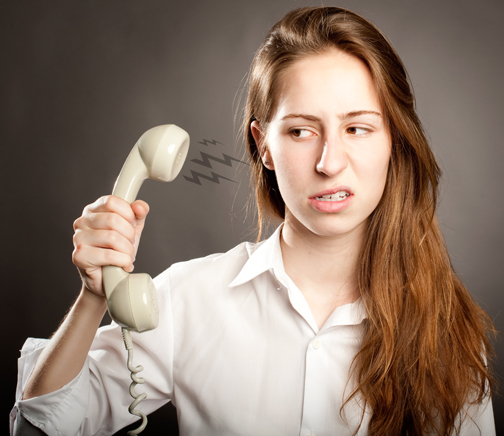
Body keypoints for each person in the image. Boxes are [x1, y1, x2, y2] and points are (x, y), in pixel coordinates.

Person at [11, 6, 496, 436]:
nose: (330, 162)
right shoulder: (188, 299)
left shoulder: (449, 329)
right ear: (263, 144)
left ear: (393, 139)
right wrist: (96, 296)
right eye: (302, 130)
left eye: (357, 128)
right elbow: (39, 427)